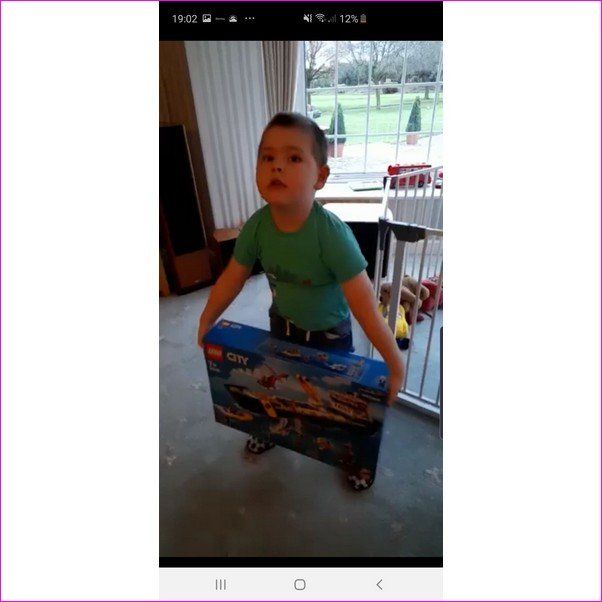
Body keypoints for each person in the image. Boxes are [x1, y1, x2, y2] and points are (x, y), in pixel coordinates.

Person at [197, 112, 405, 491]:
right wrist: (206, 318)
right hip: (282, 324)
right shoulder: (257, 227)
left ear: (319, 177)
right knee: (276, 386)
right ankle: (272, 431)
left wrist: (395, 361)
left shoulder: (332, 235)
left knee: (337, 402)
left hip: (330, 335)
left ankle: (356, 458)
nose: (276, 165)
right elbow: (232, 277)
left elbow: (364, 305)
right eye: (267, 157)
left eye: (293, 158)